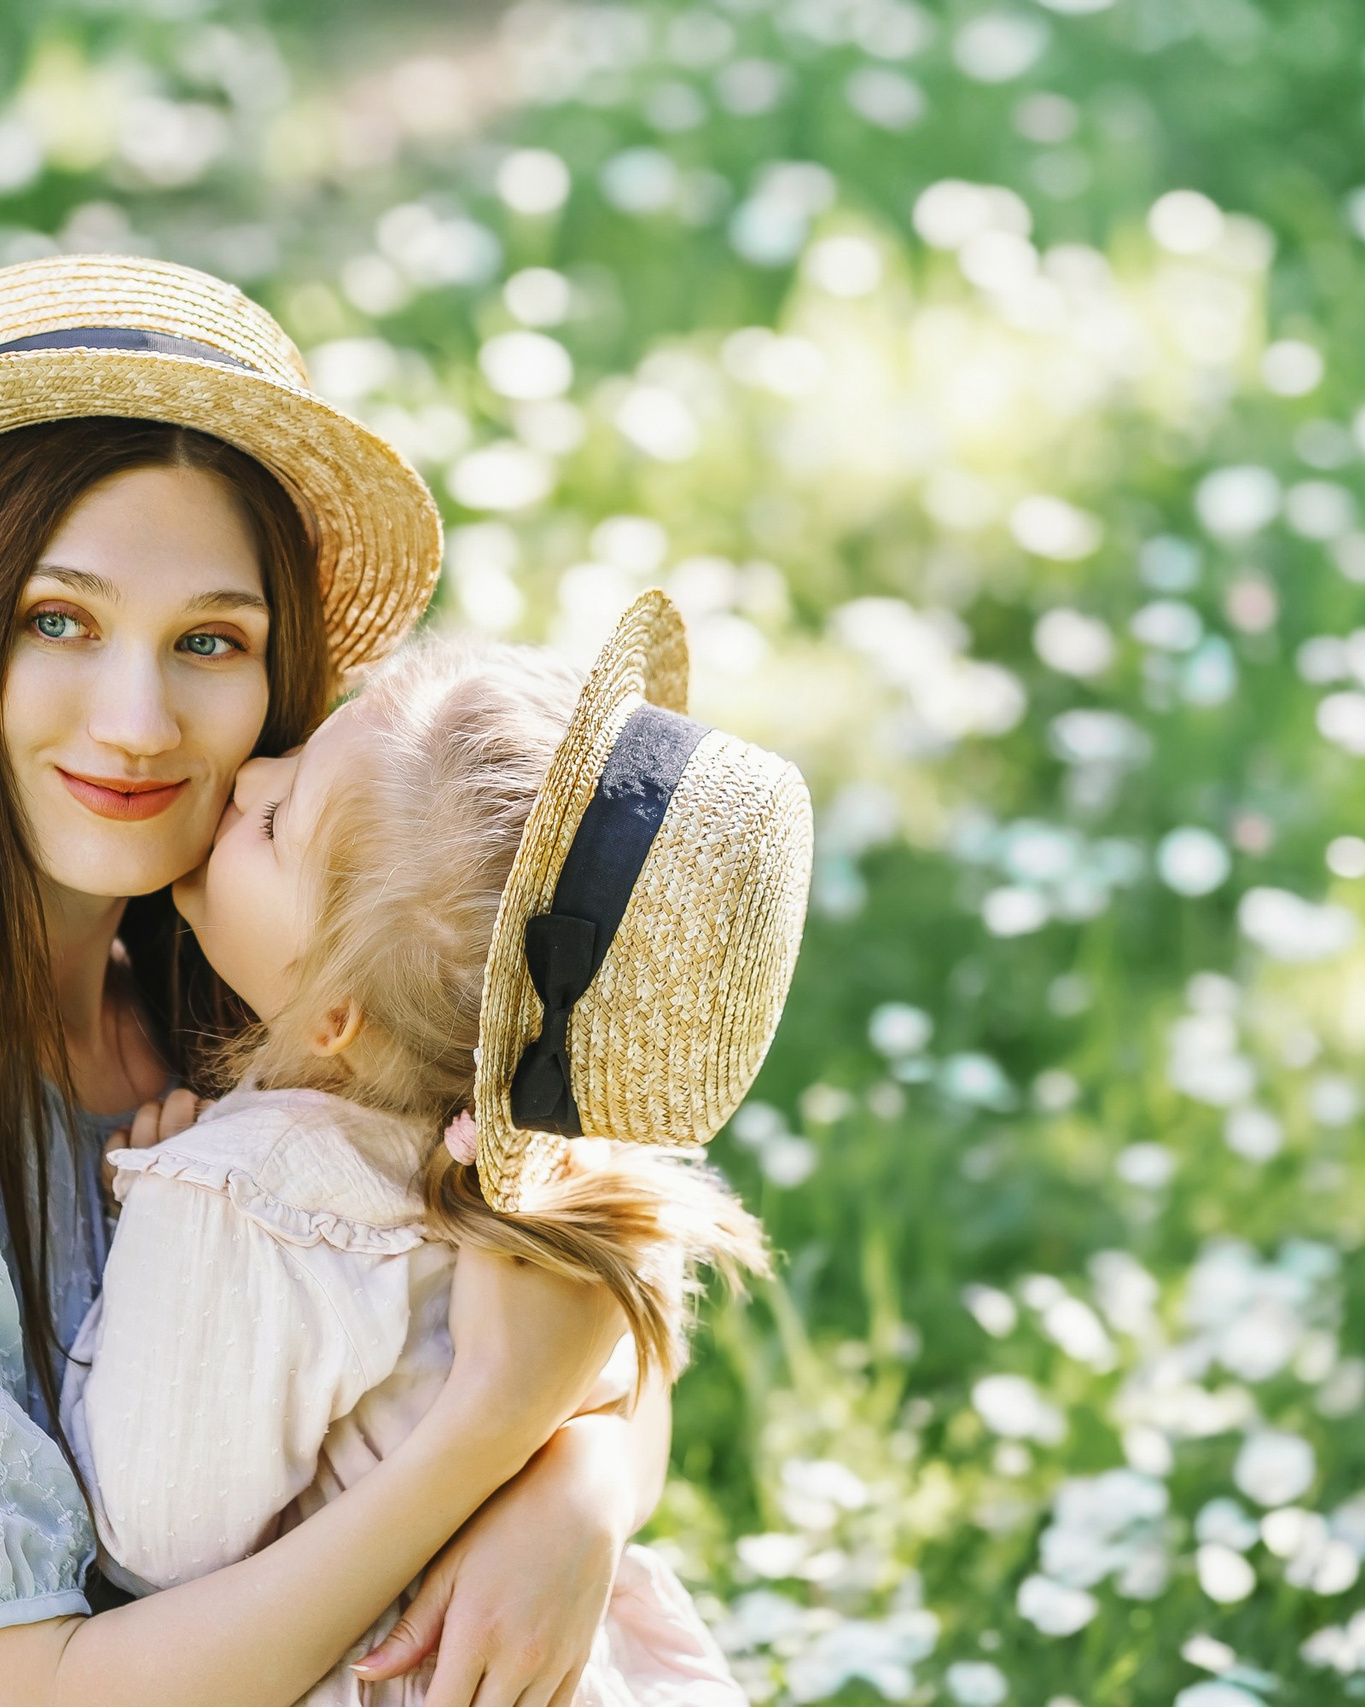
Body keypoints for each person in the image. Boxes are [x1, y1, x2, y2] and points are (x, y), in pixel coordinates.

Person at [0, 255, 670, 1707]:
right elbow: (42, 1691)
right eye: (55, 619)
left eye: (210, 642)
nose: (137, 720)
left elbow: (601, 1280)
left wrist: (582, 1478)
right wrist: (490, 1433)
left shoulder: (281, 1012)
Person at [67, 604, 816, 1705]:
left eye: (277, 828)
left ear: (333, 1014)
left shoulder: (242, 1201)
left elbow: (151, 1537)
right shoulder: (564, 1177)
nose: (251, 778)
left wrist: (147, 1240)